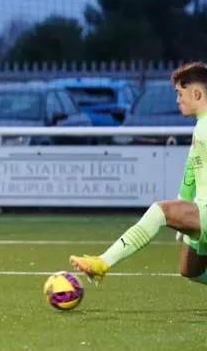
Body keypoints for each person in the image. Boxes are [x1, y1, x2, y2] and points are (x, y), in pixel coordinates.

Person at [70, 62, 207, 286]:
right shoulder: (200, 125)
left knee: (159, 211)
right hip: (199, 210)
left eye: (180, 93)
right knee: (190, 270)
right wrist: (183, 206)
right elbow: (191, 170)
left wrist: (180, 212)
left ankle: (101, 263)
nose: (177, 100)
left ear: (197, 93)